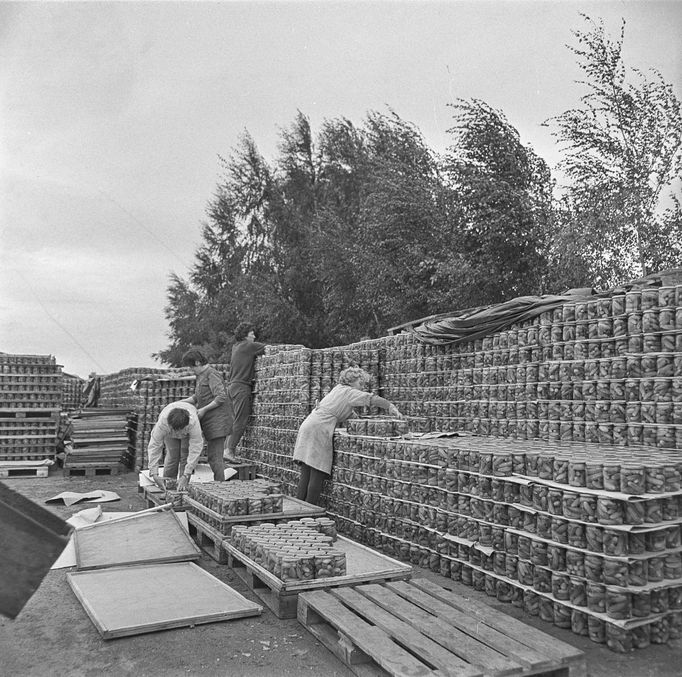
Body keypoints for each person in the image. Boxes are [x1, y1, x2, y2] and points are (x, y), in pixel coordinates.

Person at [293, 366, 402, 506]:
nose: (362, 387)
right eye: (360, 383)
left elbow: (341, 409)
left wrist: (359, 419)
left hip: (309, 424)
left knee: (306, 470)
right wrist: (390, 406)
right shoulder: (350, 392)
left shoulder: (338, 389)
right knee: (317, 470)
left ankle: (298, 507)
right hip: (319, 429)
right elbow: (371, 398)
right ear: (351, 381)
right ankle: (308, 510)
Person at [181, 348, 228, 481]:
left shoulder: (212, 374)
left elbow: (221, 397)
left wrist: (204, 410)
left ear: (197, 362)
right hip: (208, 421)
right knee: (212, 457)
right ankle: (219, 484)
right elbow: (197, 397)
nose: (191, 370)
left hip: (218, 421)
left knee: (215, 458)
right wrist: (178, 403)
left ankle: (220, 486)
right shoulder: (201, 376)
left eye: (191, 367)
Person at [224, 322, 266, 462]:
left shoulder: (236, 347)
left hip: (231, 387)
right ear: (245, 335)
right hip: (241, 387)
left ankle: (225, 450)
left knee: (234, 421)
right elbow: (270, 349)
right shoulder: (248, 346)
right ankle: (229, 451)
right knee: (241, 421)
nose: (254, 336)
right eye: (251, 333)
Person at [147, 401, 204, 492]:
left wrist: (187, 474)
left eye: (180, 431)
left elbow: (195, 448)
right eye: (175, 431)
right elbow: (155, 446)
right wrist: (154, 473)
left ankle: (182, 488)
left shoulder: (193, 423)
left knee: (185, 455)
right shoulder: (163, 423)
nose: (178, 434)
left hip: (187, 431)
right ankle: (168, 489)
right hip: (169, 431)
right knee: (172, 455)